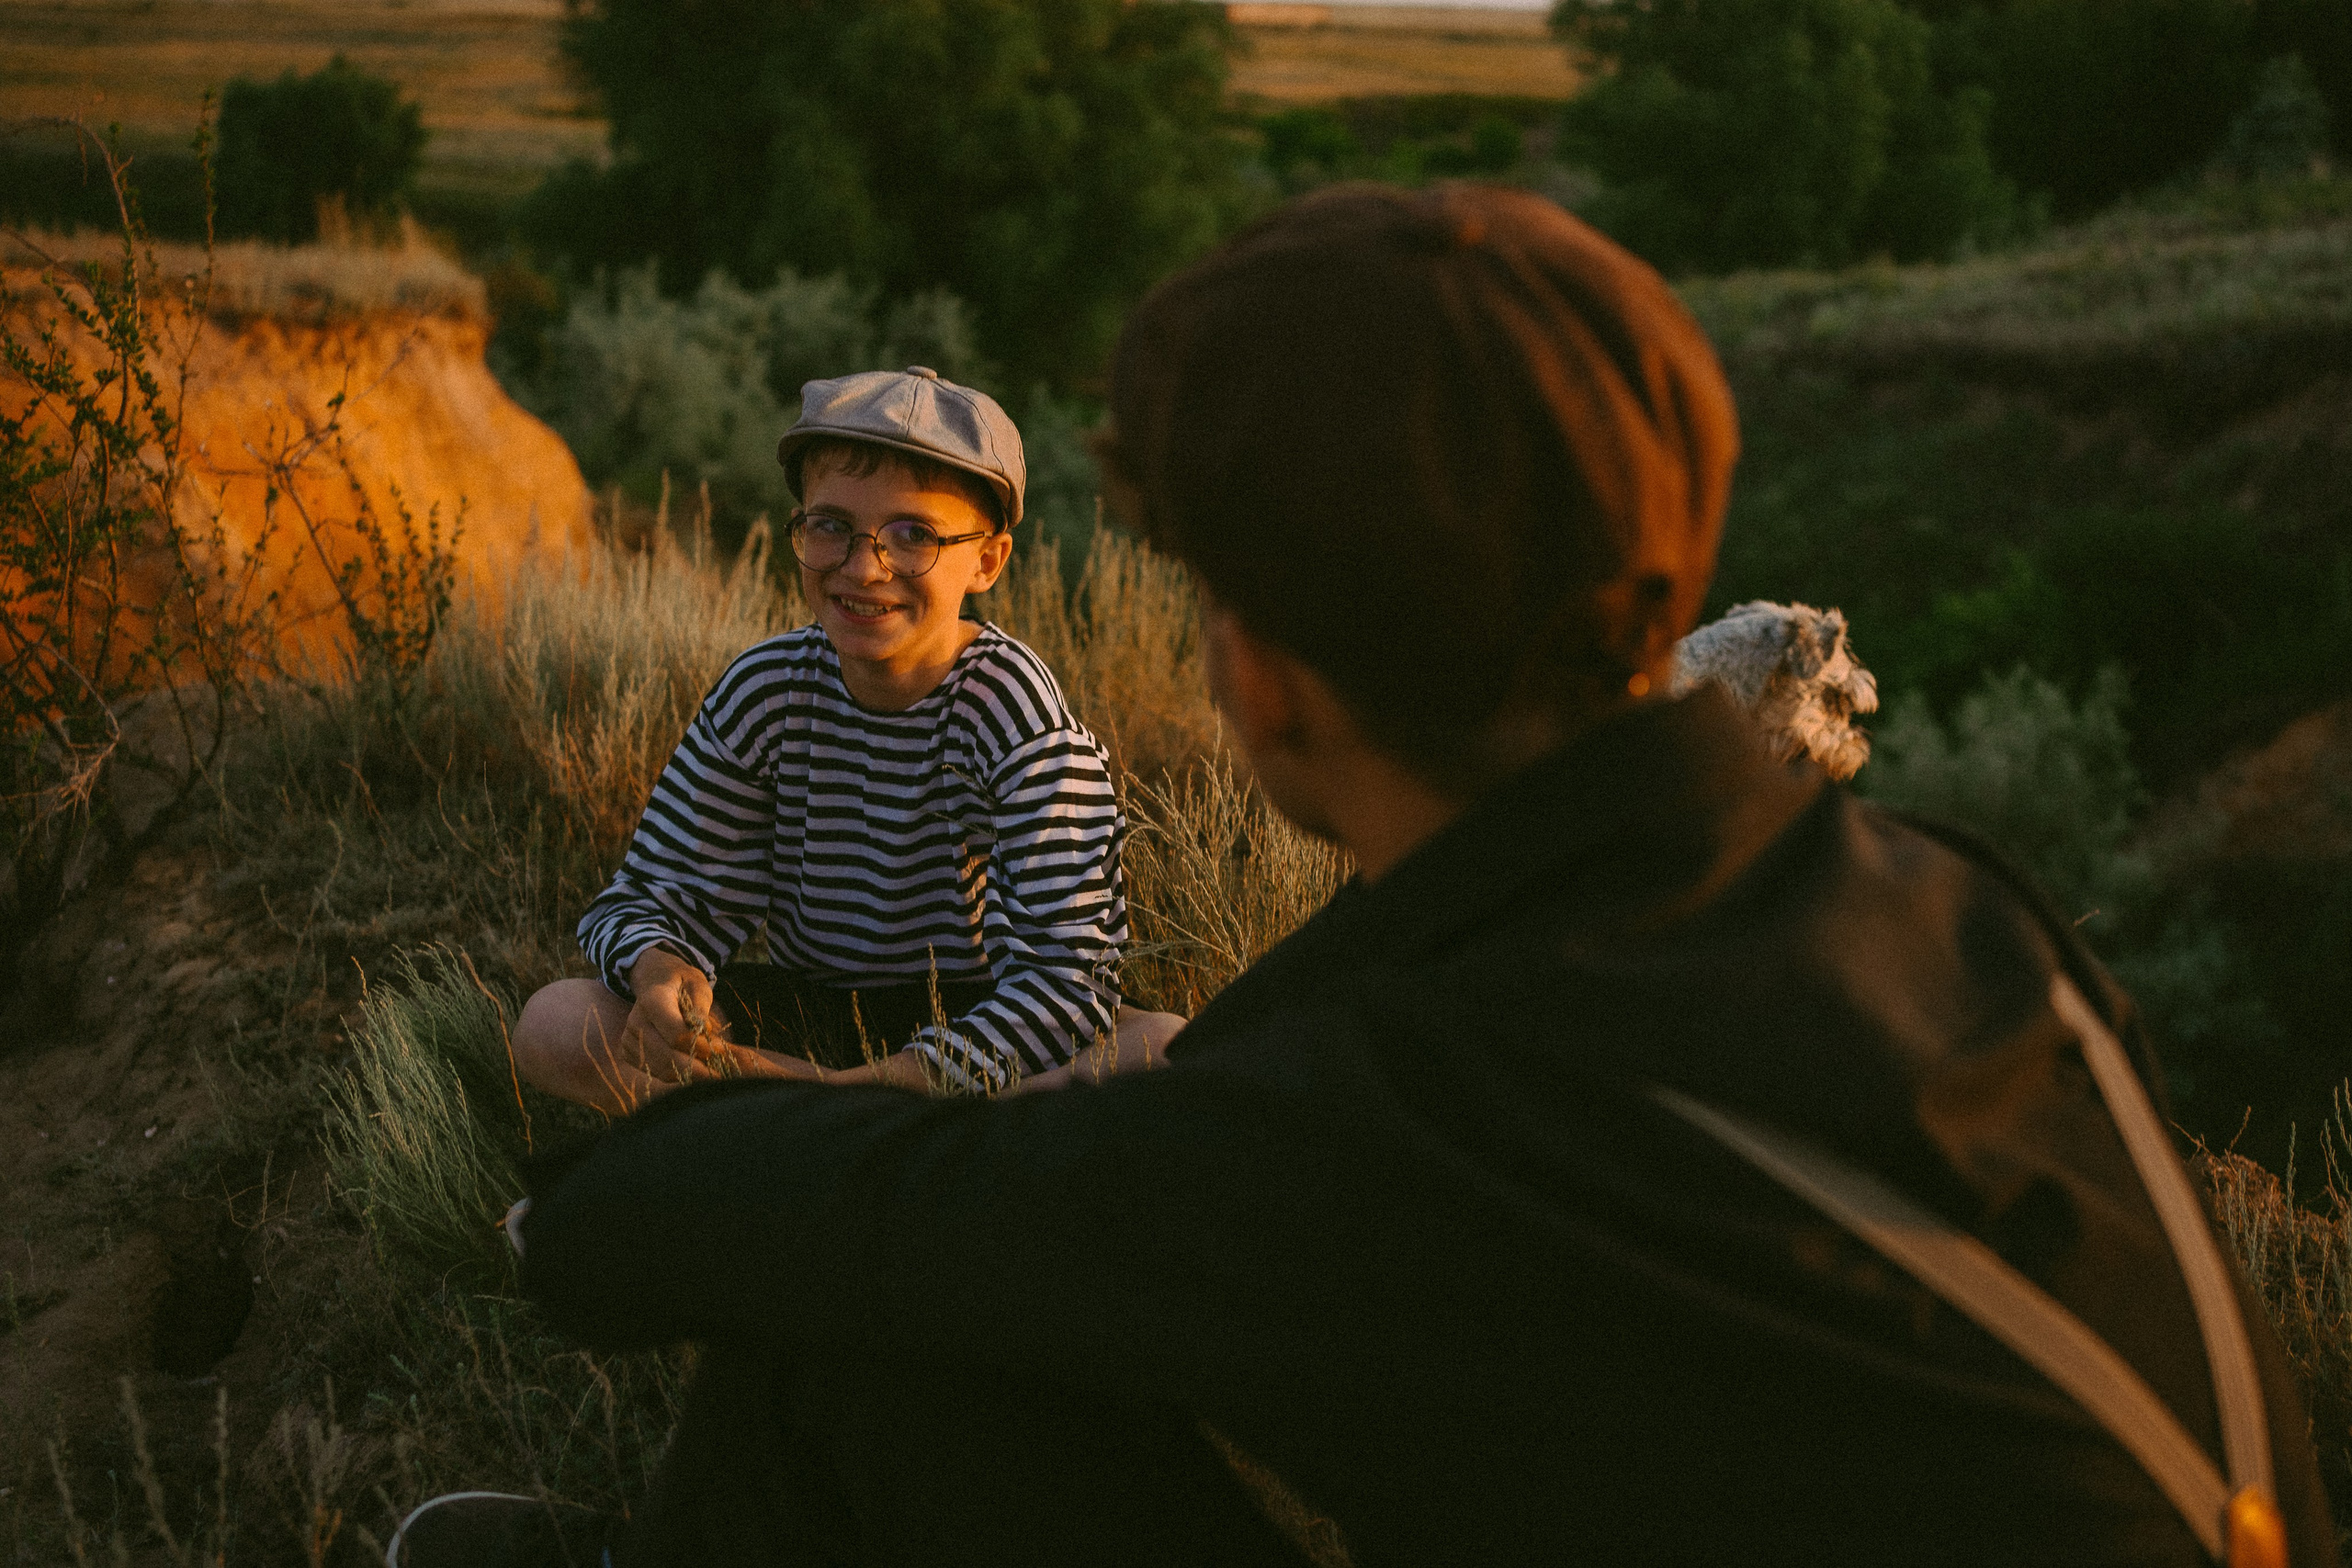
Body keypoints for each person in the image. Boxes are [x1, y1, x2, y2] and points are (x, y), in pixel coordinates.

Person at [392, 186, 2336, 1566]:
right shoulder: (1953, 905)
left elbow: (756, 1227)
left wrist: (612, 1193)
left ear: (1265, 667)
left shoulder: (1413, 1107)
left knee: (861, 1340)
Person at [509, 367, 1174, 1112]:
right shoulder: (767, 689)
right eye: (831, 526)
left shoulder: (1017, 715)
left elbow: (1066, 984)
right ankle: (842, 1139)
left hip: (972, 1030)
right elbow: (650, 896)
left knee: (1160, 1045)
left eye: (914, 535)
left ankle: (784, 1131)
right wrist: (662, 974)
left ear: (987, 561)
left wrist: (848, 1092)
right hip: (812, 1012)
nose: (864, 568)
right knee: (556, 1021)